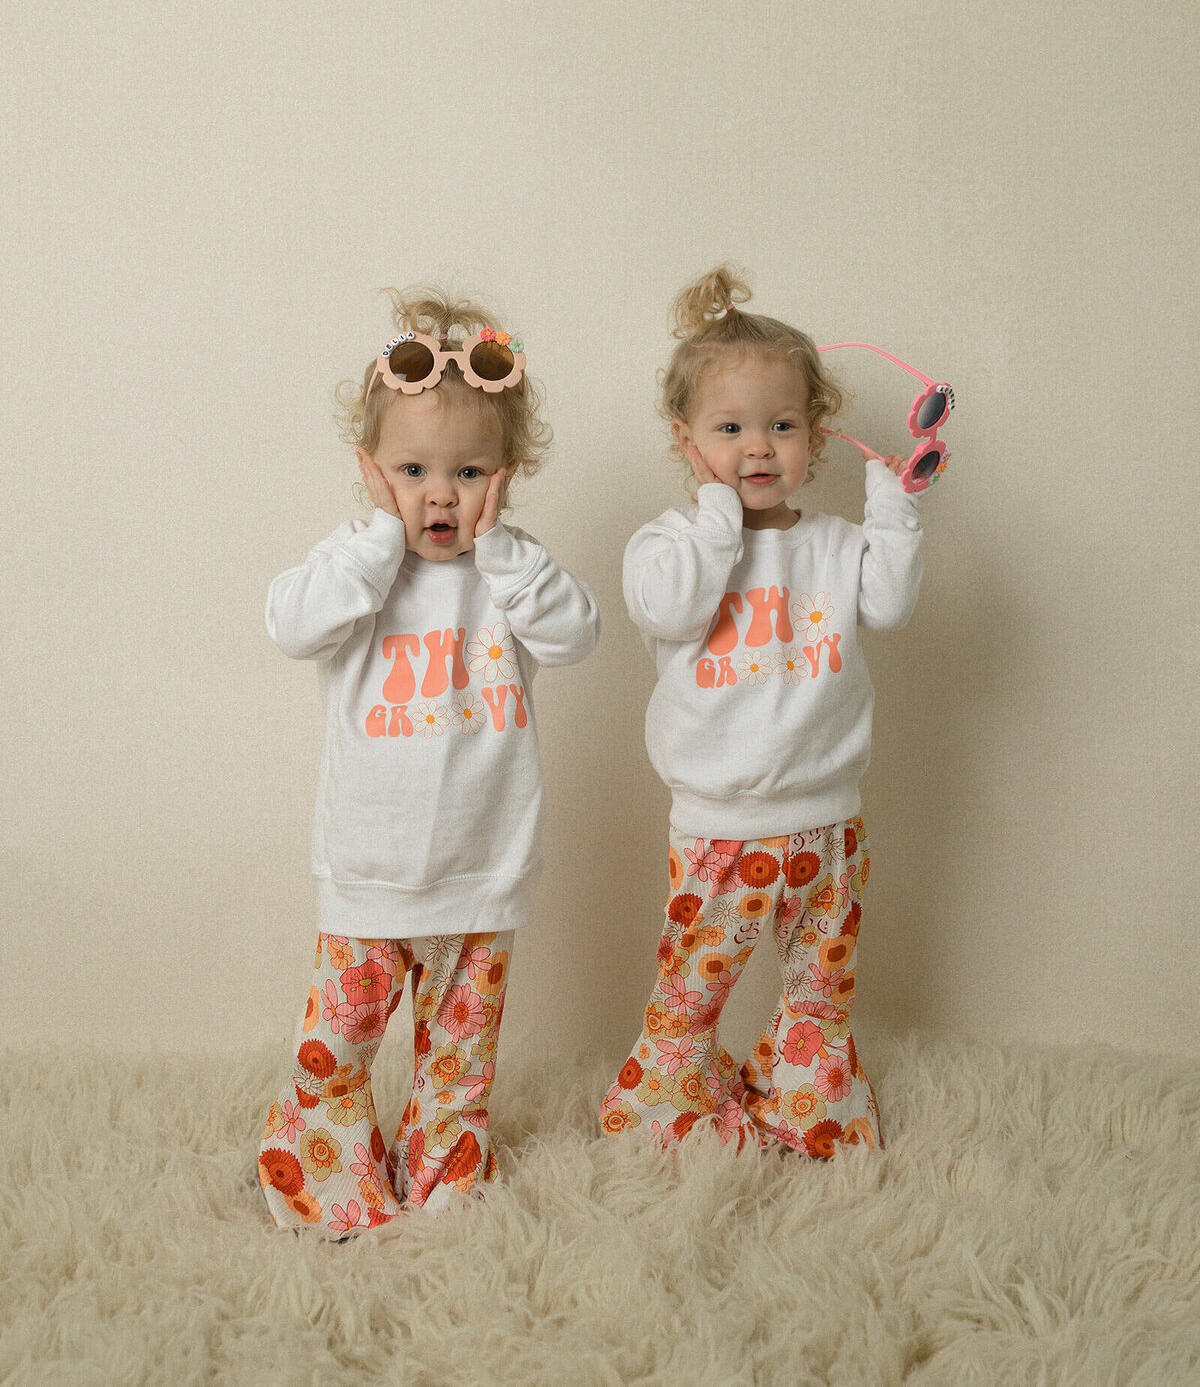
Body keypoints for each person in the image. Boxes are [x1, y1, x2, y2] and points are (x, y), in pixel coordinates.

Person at [259, 289, 599, 1234]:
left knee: (460, 1054)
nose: (439, 495)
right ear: (371, 472)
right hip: (371, 870)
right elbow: (291, 625)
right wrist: (376, 539)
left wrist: (508, 558)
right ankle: (319, 1171)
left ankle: (446, 1171)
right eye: (411, 470)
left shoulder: (512, 573)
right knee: (342, 1043)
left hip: (482, 869)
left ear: (506, 474)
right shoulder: (356, 568)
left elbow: (579, 636)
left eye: (467, 471)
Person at [599, 266, 923, 1156]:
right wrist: (714, 518)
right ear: (686, 440)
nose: (758, 448)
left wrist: (895, 514)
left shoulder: (832, 544)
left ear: (815, 437)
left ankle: (810, 1110)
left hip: (828, 826)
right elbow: (670, 612)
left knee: (821, 991)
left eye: (782, 426)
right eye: (730, 429)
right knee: (689, 996)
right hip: (721, 827)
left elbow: (888, 607)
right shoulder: (669, 547)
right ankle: (665, 1119)